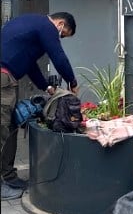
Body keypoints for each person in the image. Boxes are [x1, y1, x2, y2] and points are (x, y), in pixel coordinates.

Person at [1, 12, 78, 199]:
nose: (59, 37)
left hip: (8, 78)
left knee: (10, 127)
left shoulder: (31, 23)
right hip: (3, 79)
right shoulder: (47, 26)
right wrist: (72, 82)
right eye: (63, 34)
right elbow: (58, 57)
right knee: (0, 130)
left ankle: (8, 176)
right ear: (60, 24)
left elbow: (29, 65)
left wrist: (47, 87)